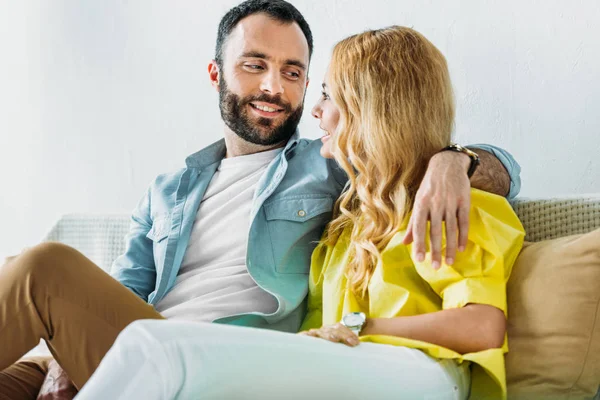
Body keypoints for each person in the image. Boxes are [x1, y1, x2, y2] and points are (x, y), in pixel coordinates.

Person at [0, 1, 520, 399]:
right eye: (255, 64)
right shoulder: (167, 188)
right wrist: (62, 360)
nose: (276, 86)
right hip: (118, 345)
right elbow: (125, 287)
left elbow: (418, 150)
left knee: (41, 268)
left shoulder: (334, 164)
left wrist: (455, 161)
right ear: (216, 73)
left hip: (218, 355)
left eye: (295, 73)